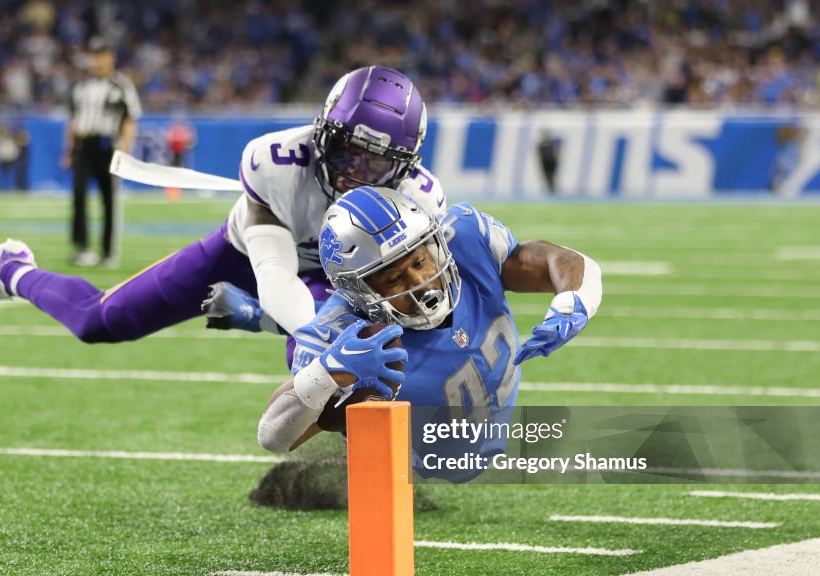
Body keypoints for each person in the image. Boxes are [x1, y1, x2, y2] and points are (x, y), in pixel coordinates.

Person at [0, 66, 444, 366]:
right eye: (347, 152)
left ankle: (377, 475)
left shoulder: (420, 200)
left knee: (357, 353)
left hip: (343, 277)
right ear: (322, 132)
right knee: (99, 322)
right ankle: (9, 270)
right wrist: (307, 330)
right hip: (247, 258)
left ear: (403, 167)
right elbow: (275, 275)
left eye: (374, 162)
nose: (356, 172)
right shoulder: (277, 163)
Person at [255, 186, 602, 466]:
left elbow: (563, 262)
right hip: (418, 464)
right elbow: (273, 435)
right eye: (394, 278)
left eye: (420, 260)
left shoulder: (464, 238)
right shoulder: (340, 327)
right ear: (359, 292)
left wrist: (574, 300)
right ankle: (258, 315)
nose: (423, 281)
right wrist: (329, 371)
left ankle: (255, 316)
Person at [62, 36, 140, 268]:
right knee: (78, 195)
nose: (96, 61)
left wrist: (125, 151)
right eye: (93, 56)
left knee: (109, 199)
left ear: (110, 58)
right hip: (84, 146)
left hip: (108, 147)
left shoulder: (121, 86)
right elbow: (73, 120)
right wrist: (69, 150)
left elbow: (129, 120)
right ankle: (83, 248)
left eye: (101, 56)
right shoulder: (81, 86)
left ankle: (108, 251)